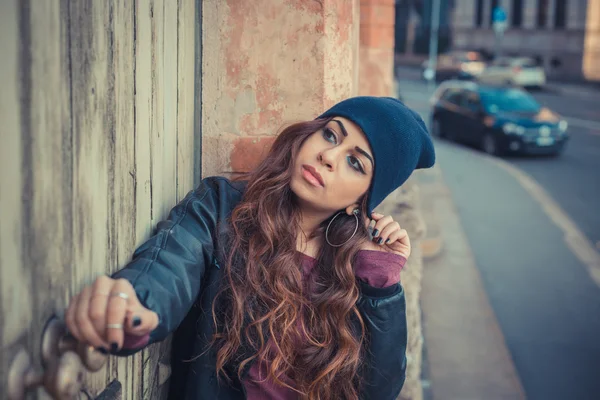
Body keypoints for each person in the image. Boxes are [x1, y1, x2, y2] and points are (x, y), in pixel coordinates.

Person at [65, 96, 435, 400]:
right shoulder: (222, 208)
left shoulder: (356, 267)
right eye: (330, 135)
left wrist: (381, 286)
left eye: (355, 162)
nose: (328, 156)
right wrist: (133, 303)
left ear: (362, 201)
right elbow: (170, 266)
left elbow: (378, 390)